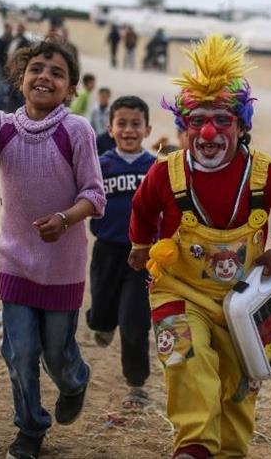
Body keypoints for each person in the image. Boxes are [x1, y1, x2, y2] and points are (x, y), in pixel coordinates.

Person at [129, 34, 271, 459]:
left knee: (239, 383)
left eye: (222, 120)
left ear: (242, 126)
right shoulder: (166, 173)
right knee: (184, 359)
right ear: (184, 127)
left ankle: (228, 451)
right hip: (177, 292)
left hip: (242, 302)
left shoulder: (267, 175)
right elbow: (142, 209)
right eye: (197, 120)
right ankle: (194, 446)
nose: (208, 132)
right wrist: (139, 244)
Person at [0, 41, 105, 459]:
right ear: (20, 78)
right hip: (14, 262)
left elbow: (94, 195)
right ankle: (30, 428)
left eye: (56, 72)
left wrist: (65, 219)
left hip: (62, 267)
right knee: (19, 353)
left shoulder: (77, 130)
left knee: (56, 356)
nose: (45, 76)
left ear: (70, 88)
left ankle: (75, 380)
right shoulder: (2, 127)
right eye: (36, 69)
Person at [86, 95, 156, 409]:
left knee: (135, 321)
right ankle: (102, 323)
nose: (129, 130)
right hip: (107, 250)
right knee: (101, 312)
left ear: (147, 129)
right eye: (122, 124)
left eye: (136, 124)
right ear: (110, 129)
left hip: (143, 255)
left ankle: (136, 384)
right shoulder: (99, 165)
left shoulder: (156, 167)